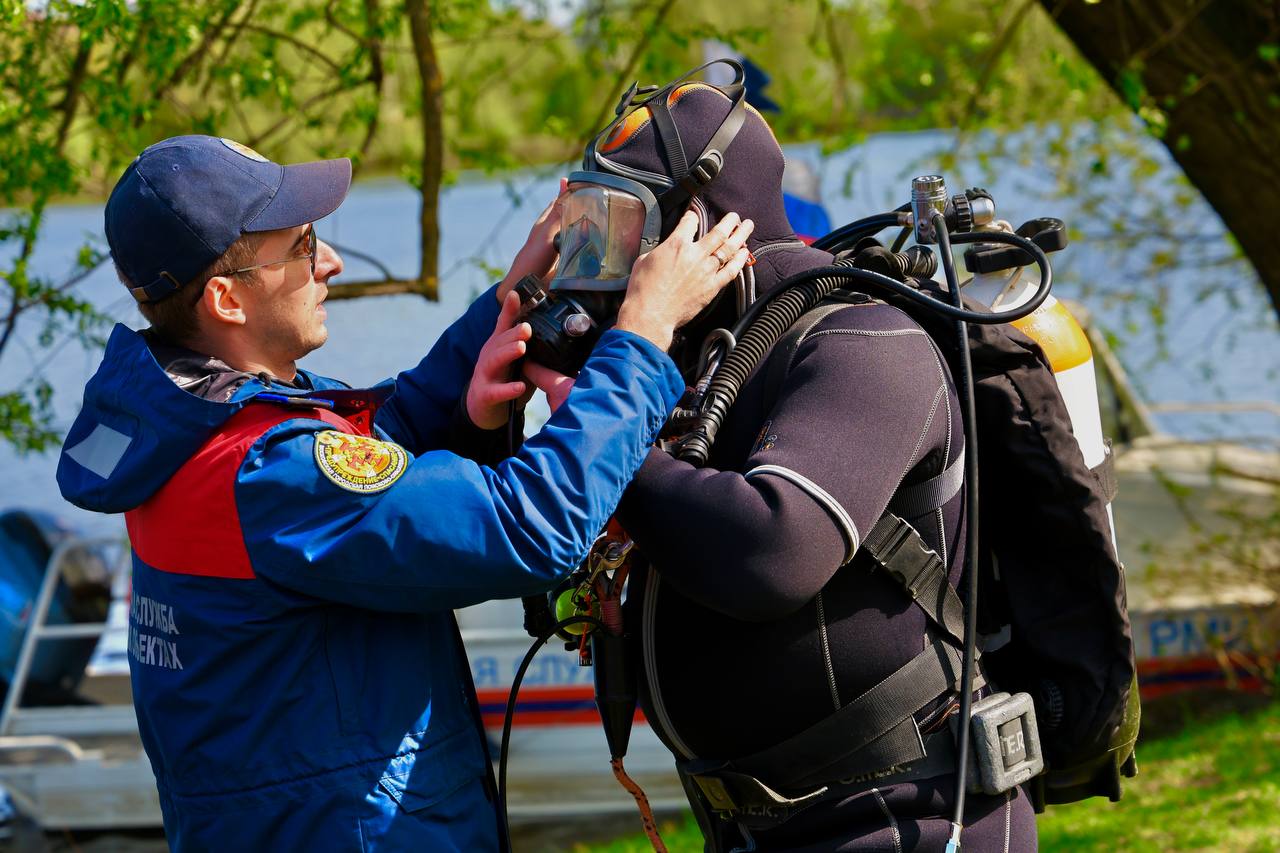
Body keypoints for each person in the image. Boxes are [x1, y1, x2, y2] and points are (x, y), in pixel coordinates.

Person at [55, 134, 752, 851]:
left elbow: (379, 439)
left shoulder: (196, 422)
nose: (331, 262)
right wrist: (643, 332)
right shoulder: (265, 471)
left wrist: (509, 299)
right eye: (301, 245)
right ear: (227, 298)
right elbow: (531, 525)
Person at [564, 78, 1039, 849]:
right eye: (578, 227)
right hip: (759, 824)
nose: (592, 261)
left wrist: (599, 436)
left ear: (696, 227)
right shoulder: (692, 363)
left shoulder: (863, 341)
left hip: (904, 816)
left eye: (613, 226)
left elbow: (771, 552)